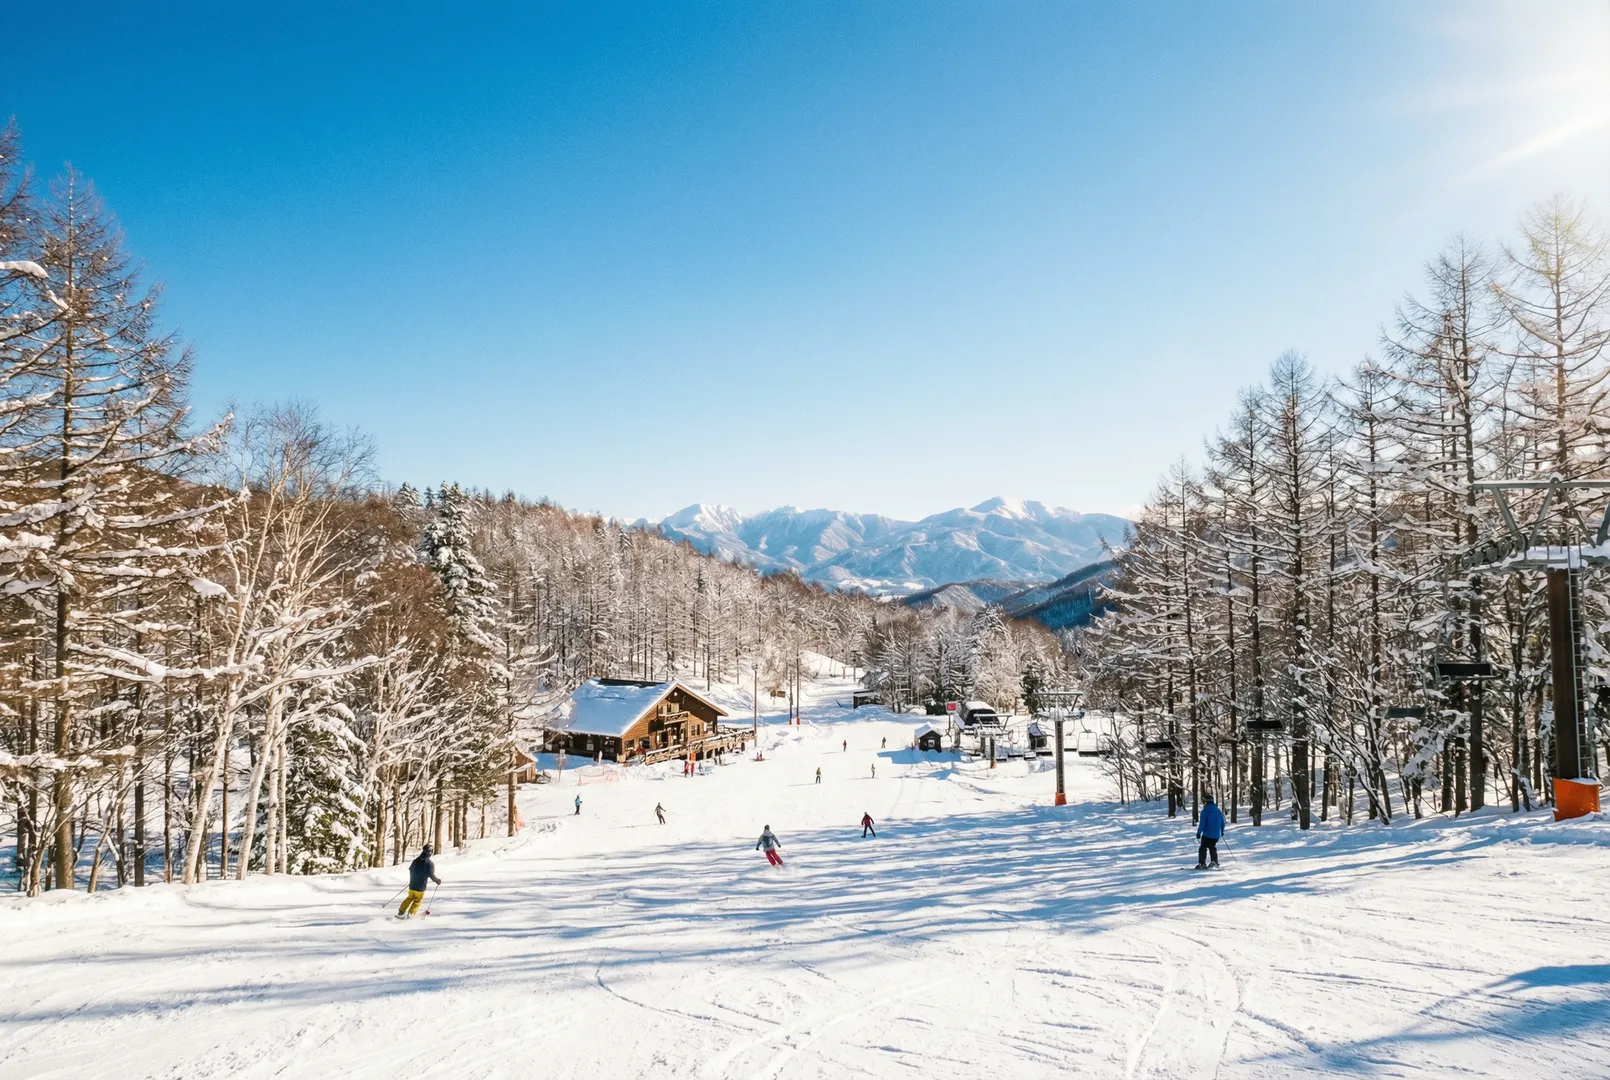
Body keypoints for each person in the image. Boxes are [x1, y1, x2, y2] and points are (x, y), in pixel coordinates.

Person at [396, 845, 440, 919]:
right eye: (430, 851)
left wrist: (413, 879)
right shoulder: (429, 863)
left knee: (409, 898)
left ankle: (401, 911)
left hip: (412, 885)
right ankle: (410, 915)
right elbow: (431, 875)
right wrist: (437, 880)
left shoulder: (416, 860)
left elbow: (411, 870)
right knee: (417, 901)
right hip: (421, 887)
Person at [1196, 795, 1226, 868]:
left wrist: (1199, 832)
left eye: (1204, 801)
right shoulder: (1218, 810)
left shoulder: (1205, 811)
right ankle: (1214, 862)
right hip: (1216, 835)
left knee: (1203, 847)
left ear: (1206, 802)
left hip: (1207, 834)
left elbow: (1203, 823)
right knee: (1212, 846)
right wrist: (1221, 831)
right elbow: (1222, 822)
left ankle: (1202, 863)